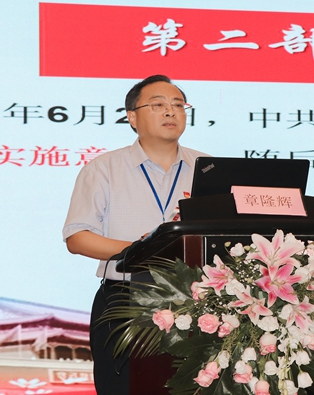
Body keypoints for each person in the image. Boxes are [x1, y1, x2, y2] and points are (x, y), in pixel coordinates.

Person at [62, 75, 208, 395]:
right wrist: (144, 249)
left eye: (178, 105)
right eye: (158, 104)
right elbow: (77, 237)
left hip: (197, 302)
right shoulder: (104, 168)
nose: (170, 111)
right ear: (132, 117)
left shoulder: (207, 168)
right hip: (124, 301)